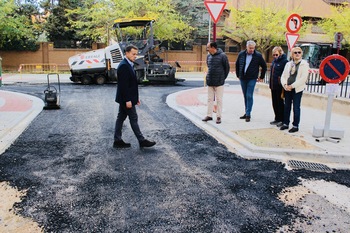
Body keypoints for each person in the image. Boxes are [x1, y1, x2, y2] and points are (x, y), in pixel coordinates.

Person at [113, 45, 156, 148]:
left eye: (136, 54)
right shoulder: (124, 66)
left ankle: (117, 140)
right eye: (133, 54)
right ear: (127, 53)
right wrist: (128, 100)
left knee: (121, 118)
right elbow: (123, 86)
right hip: (125, 99)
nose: (135, 56)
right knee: (133, 118)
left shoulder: (128, 64)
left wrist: (135, 99)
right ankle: (141, 140)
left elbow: (131, 84)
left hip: (127, 98)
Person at [280, 47, 310, 133]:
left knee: (296, 107)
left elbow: (303, 78)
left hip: (297, 89)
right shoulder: (288, 64)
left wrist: (292, 86)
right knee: (287, 106)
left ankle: (295, 125)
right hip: (287, 88)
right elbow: (283, 76)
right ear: (292, 54)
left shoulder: (304, 64)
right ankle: (285, 123)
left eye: (299, 52)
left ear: (301, 54)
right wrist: (285, 85)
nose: (297, 54)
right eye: (295, 52)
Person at [235, 40, 267, 122]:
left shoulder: (258, 56)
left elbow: (264, 66)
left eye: (253, 48)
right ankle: (246, 112)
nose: (251, 50)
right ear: (246, 47)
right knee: (245, 96)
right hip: (243, 78)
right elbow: (237, 64)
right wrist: (238, 75)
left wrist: (261, 76)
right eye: (250, 48)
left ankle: (248, 114)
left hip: (252, 78)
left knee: (249, 95)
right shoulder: (241, 54)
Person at [202, 42, 230, 124]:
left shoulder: (223, 56)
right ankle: (209, 115)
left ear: (213, 47)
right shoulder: (208, 56)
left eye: (208, 47)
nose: (207, 49)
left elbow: (227, 68)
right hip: (210, 81)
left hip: (219, 82)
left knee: (219, 100)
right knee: (210, 99)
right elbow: (209, 66)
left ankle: (218, 116)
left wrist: (222, 78)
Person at [269, 46, 288, 127]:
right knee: (274, 103)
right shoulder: (274, 62)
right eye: (274, 55)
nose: (275, 56)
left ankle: (282, 119)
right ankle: (277, 118)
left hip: (280, 86)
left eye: (276, 55)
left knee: (280, 103)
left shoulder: (284, 62)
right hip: (273, 85)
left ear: (280, 53)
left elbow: (286, 74)